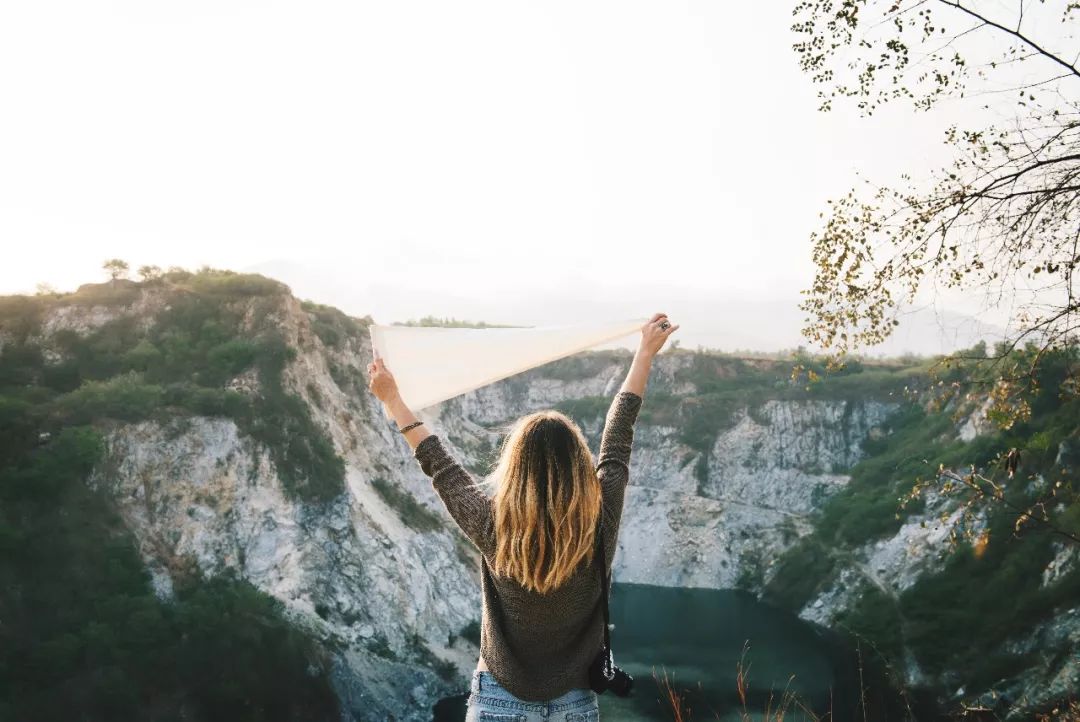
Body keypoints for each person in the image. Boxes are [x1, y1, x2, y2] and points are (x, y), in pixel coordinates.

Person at [368, 313, 679, 721]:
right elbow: (618, 438)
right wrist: (644, 353)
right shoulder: (600, 518)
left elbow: (440, 466)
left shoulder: (492, 525)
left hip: (498, 699)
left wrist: (392, 399)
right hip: (575, 702)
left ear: (515, 468)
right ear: (578, 466)